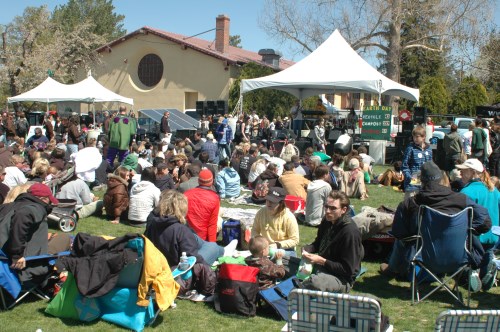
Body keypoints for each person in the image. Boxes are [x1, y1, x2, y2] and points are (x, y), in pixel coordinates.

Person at [381, 161, 495, 291]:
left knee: (402, 240)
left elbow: (399, 232)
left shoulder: (411, 203)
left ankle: (393, 269)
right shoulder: (460, 199)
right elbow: (485, 221)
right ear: (441, 179)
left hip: (424, 257)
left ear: (421, 180)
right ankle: (462, 274)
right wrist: (468, 229)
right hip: (459, 256)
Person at [145, 190, 236, 268]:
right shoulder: (180, 230)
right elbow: (192, 259)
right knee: (212, 246)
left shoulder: (153, 223)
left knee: (196, 237)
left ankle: (222, 250)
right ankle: (222, 251)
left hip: (161, 264)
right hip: (181, 270)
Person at [300, 191, 364, 293]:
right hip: (321, 267)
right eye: (326, 207)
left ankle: (303, 284)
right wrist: (307, 249)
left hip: (341, 278)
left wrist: (322, 261)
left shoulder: (350, 232)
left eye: (333, 208)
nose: (328, 211)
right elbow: (318, 243)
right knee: (285, 260)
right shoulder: (327, 220)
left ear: (344, 210)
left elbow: (348, 270)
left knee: (315, 282)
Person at [0, 183, 61, 283]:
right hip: (24, 267)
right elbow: (22, 216)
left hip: (4, 261)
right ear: (44, 199)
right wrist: (17, 255)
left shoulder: (5, 207)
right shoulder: (35, 208)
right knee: (64, 239)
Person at [458, 159, 500, 257]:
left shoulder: (466, 192)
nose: (460, 173)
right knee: (486, 265)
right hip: (493, 237)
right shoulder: (494, 190)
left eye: (463, 170)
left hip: (474, 239)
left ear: (473, 172)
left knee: (472, 268)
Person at [252, 187, 299, 256]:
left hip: (284, 249)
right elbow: (255, 230)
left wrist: (277, 245)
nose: (269, 203)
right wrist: (260, 242)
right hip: (265, 248)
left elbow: (295, 240)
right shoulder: (261, 212)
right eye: (267, 200)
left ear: (281, 203)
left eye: (272, 201)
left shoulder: (289, 217)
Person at [184, 169, 220, 242]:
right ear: (212, 181)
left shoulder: (186, 194)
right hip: (203, 239)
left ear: (198, 181)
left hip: (186, 236)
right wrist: (212, 245)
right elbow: (212, 225)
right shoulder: (215, 198)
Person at [402, 125, 433, 198]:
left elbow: (430, 165)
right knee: (410, 204)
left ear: (423, 137)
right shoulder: (410, 148)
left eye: (417, 137)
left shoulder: (429, 149)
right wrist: (410, 177)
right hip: (412, 183)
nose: (415, 139)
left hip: (425, 183)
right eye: (414, 137)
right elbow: (404, 165)